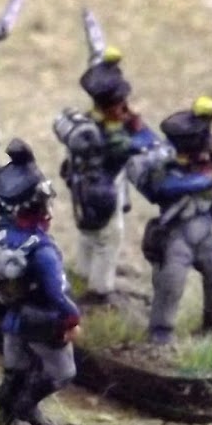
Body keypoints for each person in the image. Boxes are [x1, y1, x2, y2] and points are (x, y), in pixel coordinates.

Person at [128, 97, 212, 344]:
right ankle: (161, 330)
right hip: (177, 236)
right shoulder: (166, 171)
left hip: (207, 233)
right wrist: (205, 179)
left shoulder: (207, 167)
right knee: (171, 285)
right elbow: (162, 189)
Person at [0, 139, 81, 425]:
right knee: (62, 372)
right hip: (40, 321)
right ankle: (25, 406)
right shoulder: (42, 250)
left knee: (16, 370)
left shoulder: (2, 233)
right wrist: (72, 317)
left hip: (11, 320)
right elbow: (56, 294)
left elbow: (0, 201)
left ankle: (8, 413)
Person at [54, 49, 160, 302]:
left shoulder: (87, 123)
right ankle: (100, 291)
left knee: (89, 235)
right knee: (109, 239)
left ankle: (83, 272)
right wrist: (137, 126)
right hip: (102, 192)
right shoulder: (113, 137)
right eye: (121, 103)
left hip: (84, 189)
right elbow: (148, 145)